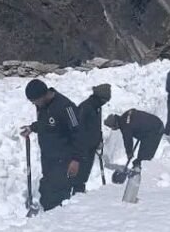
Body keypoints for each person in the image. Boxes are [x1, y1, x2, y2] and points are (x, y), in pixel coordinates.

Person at [19, 79, 83, 211]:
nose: (34, 104)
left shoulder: (66, 107)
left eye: (35, 101)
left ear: (44, 95)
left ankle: (59, 219)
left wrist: (76, 159)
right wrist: (32, 128)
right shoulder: (42, 106)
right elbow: (47, 123)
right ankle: (50, 217)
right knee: (46, 191)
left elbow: (79, 133)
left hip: (64, 159)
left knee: (56, 195)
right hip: (49, 158)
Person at [72, 83, 113, 194]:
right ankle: (76, 194)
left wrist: (99, 140)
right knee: (79, 174)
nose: (105, 103)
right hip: (82, 148)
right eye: (105, 100)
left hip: (91, 147)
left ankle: (80, 191)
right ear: (99, 97)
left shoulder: (97, 107)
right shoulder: (85, 107)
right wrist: (80, 147)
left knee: (85, 173)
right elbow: (77, 129)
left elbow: (97, 126)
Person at [104, 109, 165, 175]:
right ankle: (137, 170)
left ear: (115, 125)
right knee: (142, 155)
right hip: (154, 125)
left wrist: (129, 153)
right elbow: (137, 118)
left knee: (144, 158)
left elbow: (128, 140)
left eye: (112, 127)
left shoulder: (124, 126)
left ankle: (139, 174)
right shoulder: (126, 114)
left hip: (155, 131)